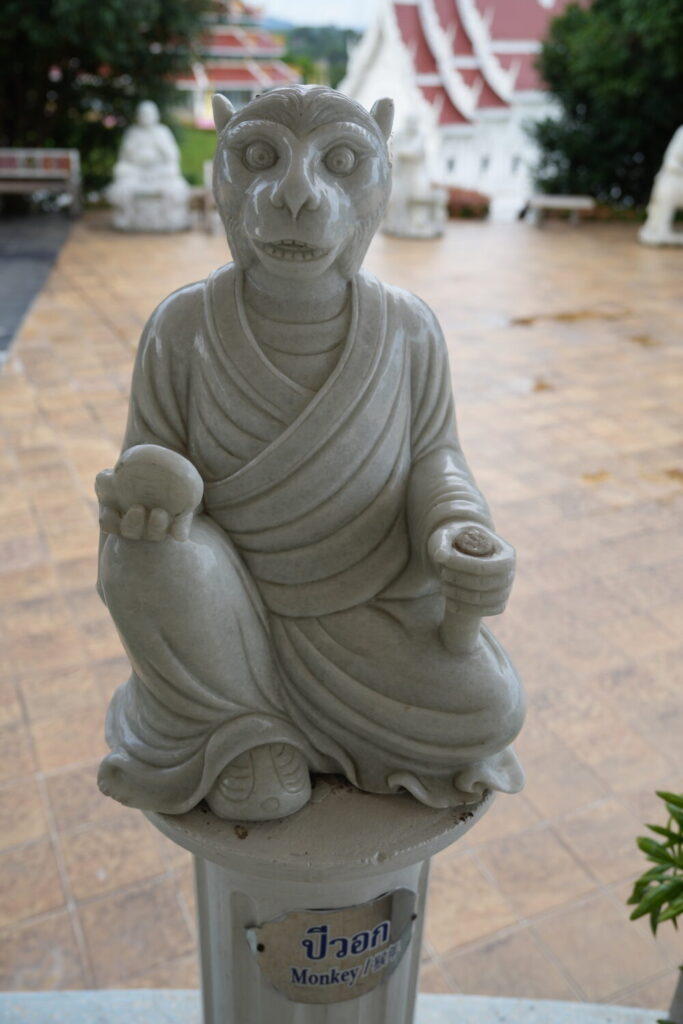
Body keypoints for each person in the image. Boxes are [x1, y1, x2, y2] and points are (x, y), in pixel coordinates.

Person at [95, 86, 525, 822]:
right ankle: (244, 731)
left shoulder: (408, 328)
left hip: (365, 616)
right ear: (222, 179)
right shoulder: (182, 326)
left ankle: (260, 718)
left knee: (492, 707)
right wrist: (149, 503)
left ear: (379, 183)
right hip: (224, 612)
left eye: (342, 162)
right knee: (139, 559)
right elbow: (149, 464)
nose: (295, 194)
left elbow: (435, 454)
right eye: (259, 157)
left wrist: (456, 527)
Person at [107, 100, 190, 231]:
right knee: (120, 170)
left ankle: (169, 217)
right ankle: (127, 217)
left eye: (149, 114)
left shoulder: (162, 132)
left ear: (156, 115)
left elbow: (172, 157)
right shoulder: (133, 132)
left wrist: (159, 149)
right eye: (143, 114)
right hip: (137, 171)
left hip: (158, 170)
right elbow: (124, 159)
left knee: (172, 171)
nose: (146, 117)